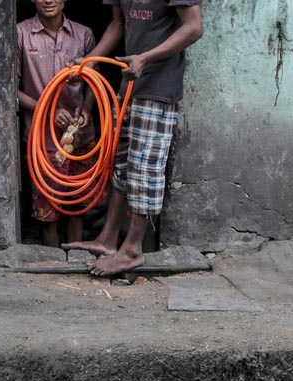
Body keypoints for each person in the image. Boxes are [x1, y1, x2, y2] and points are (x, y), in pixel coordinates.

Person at [67, 0, 202, 276]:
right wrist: (90, 60)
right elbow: (119, 23)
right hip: (131, 83)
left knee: (145, 166)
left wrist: (146, 58)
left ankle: (131, 250)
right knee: (123, 162)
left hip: (159, 86)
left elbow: (193, 28)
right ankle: (107, 239)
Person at [18, 0, 96, 248]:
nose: (48, 0)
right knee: (47, 211)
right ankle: (52, 266)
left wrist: (87, 107)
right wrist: (47, 111)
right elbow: (9, 88)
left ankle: (76, 261)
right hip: (42, 138)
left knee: (78, 207)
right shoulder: (19, 33)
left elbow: (95, 80)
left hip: (81, 135)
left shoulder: (83, 34)